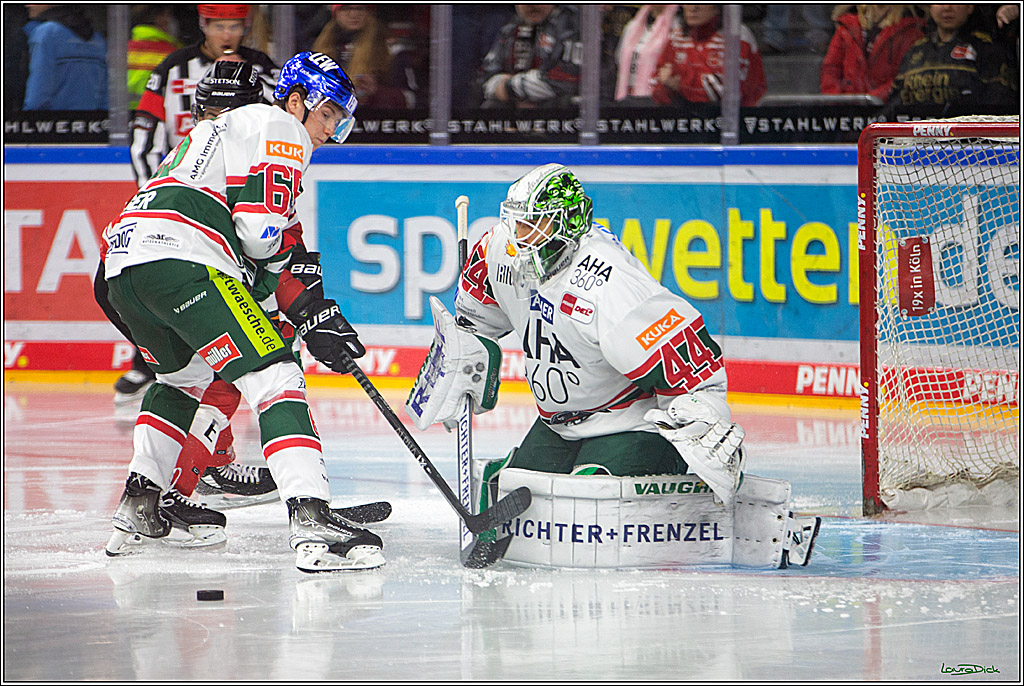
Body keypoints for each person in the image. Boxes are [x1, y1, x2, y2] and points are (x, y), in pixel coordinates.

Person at [406, 164, 821, 568]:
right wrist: (462, 353)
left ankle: (664, 467)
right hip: (558, 423)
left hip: (629, 419)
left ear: (567, 224)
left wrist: (702, 423)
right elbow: (476, 321)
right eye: (515, 225)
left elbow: (693, 364)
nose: (519, 239)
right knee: (511, 487)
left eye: (533, 225)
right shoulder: (498, 250)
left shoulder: (609, 283)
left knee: (583, 505)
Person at [102, 51, 386, 573]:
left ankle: (140, 503)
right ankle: (310, 515)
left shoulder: (215, 132)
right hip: (183, 260)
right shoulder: (280, 125)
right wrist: (301, 303)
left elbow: (256, 241)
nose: (330, 130)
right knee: (275, 373)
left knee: (182, 380)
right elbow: (259, 234)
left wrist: (306, 304)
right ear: (296, 100)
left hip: (122, 266)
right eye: (327, 115)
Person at [129, 4, 278, 187]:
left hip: (243, 183)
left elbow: (285, 111)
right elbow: (144, 138)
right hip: (184, 183)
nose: (226, 36)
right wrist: (150, 191)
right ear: (204, 25)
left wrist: (248, 76)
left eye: (234, 27)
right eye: (219, 27)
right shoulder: (173, 67)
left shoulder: (260, 64)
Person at [886, 4, 1017, 117]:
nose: (947, 7)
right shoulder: (915, 50)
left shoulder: (987, 48)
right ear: (930, 7)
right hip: (918, 138)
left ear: (970, 7)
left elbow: (1000, 102)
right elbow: (896, 101)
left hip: (972, 140)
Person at [652, 5, 766, 108]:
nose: (693, 8)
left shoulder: (736, 35)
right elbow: (655, 85)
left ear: (717, 7)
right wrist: (666, 89)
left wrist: (680, 85)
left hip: (738, 119)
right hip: (686, 119)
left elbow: (726, 91)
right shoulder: (676, 36)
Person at [472, 4, 582, 109]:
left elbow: (566, 81)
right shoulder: (511, 27)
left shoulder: (574, 24)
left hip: (564, 115)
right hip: (516, 113)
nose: (531, 5)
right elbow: (485, 77)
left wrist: (509, 88)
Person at [311, 4, 414, 108]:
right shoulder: (319, 51)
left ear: (369, 12)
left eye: (360, 8)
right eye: (346, 8)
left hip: (376, 118)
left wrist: (376, 92)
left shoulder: (392, 50)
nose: (354, 14)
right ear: (335, 13)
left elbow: (411, 99)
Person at [820, 5, 925, 99]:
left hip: (889, 112)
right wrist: (838, 104)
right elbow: (830, 70)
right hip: (847, 113)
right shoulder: (846, 25)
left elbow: (906, 77)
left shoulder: (911, 27)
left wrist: (870, 102)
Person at [22, 4, 107, 110]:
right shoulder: (96, 39)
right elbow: (105, 94)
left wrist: (29, 119)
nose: (28, 4)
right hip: (90, 122)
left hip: (54, 121)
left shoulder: (47, 33)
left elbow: (39, 88)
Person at [613, 5, 680, 105]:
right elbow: (618, 59)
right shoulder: (633, 25)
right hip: (625, 100)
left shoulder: (676, 26)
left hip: (656, 102)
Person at [127, 6, 182, 110]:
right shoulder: (172, 52)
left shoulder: (123, 48)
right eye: (169, 16)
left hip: (121, 116)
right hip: (154, 115)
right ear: (160, 18)